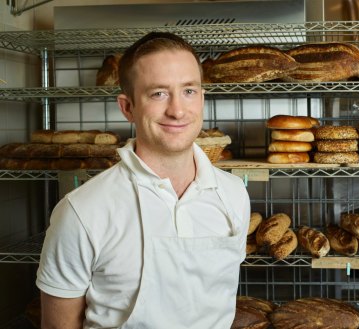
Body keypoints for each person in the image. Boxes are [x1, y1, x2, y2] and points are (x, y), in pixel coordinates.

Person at [36, 32, 250, 328]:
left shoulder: (234, 194)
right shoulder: (82, 211)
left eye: (189, 91)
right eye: (158, 93)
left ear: (202, 98)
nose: (177, 110)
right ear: (128, 108)